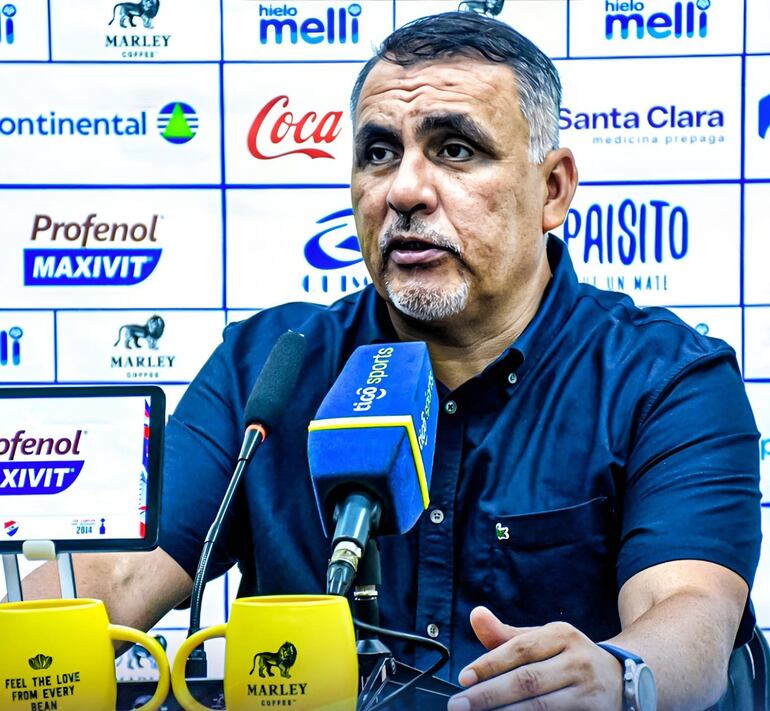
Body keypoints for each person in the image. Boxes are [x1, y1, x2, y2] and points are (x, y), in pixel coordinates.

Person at [18, 11, 761, 711]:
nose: (404, 190)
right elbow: (117, 576)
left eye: (455, 150)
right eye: (378, 153)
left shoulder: (665, 379)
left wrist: (618, 674)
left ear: (552, 188)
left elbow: (691, 615)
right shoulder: (269, 367)